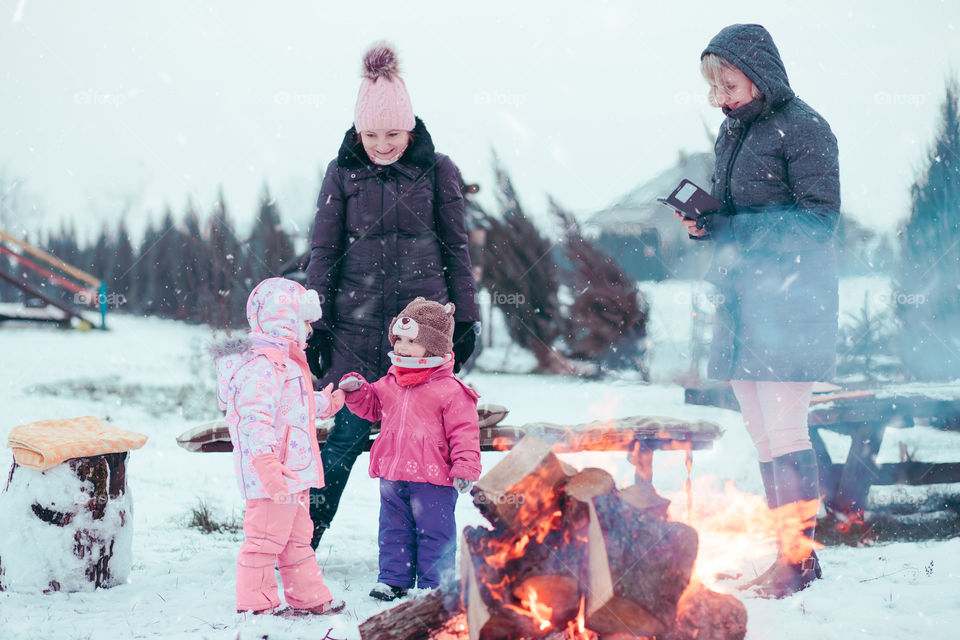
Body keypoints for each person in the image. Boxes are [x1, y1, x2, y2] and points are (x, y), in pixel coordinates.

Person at [679, 24, 840, 598]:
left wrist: (734, 227)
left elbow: (819, 221)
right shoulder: (733, 133)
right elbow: (734, 217)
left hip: (791, 301)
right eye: (714, 87)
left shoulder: (806, 128)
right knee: (759, 430)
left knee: (784, 426)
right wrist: (707, 224)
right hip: (741, 301)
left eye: (729, 82)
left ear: (759, 72)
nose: (721, 95)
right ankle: (788, 554)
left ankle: (798, 558)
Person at [305, 42, 480, 548]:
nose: (382, 144)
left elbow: (457, 249)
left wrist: (463, 321)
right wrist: (314, 325)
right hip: (353, 334)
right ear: (359, 132)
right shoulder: (342, 173)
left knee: (428, 444)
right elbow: (323, 250)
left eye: (394, 134)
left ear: (411, 128)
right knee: (340, 445)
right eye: (372, 134)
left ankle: (428, 551)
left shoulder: (438, 170)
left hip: (422, 336)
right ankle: (305, 540)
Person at [212, 277, 347, 615]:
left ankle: (308, 596)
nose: (309, 331)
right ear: (284, 321)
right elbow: (254, 420)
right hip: (273, 474)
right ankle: (257, 605)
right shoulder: (260, 366)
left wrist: (326, 403)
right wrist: (268, 468)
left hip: (294, 473)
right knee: (265, 541)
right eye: (304, 323)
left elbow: (293, 404)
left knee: (297, 539)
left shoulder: (284, 362)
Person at [337, 297, 481, 601]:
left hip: (434, 477)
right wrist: (358, 391)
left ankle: (435, 585)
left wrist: (465, 467)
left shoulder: (451, 390)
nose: (401, 346)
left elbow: (464, 433)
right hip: (393, 472)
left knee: (435, 533)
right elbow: (372, 406)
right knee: (393, 529)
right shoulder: (391, 381)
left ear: (433, 345)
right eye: (398, 339)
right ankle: (393, 578)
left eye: (410, 340)